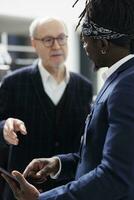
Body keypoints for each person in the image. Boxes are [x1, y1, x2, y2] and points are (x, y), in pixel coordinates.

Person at [3, 0, 134, 199]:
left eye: (84, 40)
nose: (84, 47)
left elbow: (115, 176)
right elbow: (97, 150)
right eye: (48, 40)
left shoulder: (124, 86)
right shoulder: (117, 80)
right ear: (34, 43)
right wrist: (59, 163)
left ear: (103, 44)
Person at [0, 17, 93, 200]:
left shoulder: (84, 87)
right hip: (21, 190)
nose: (56, 46)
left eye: (61, 38)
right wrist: (3, 127)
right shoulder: (13, 83)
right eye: (48, 40)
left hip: (67, 190)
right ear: (34, 43)